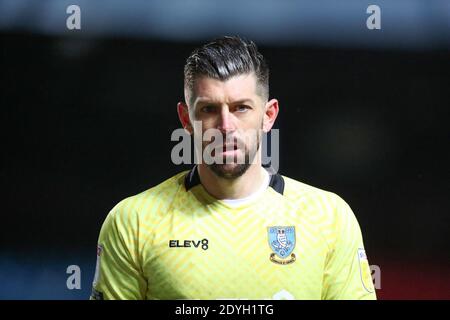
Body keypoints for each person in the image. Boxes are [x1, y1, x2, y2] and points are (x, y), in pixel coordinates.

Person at [90, 36, 376, 300]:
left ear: (268, 115)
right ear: (186, 119)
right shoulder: (134, 222)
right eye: (209, 109)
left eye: (241, 108)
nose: (226, 127)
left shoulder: (329, 218)